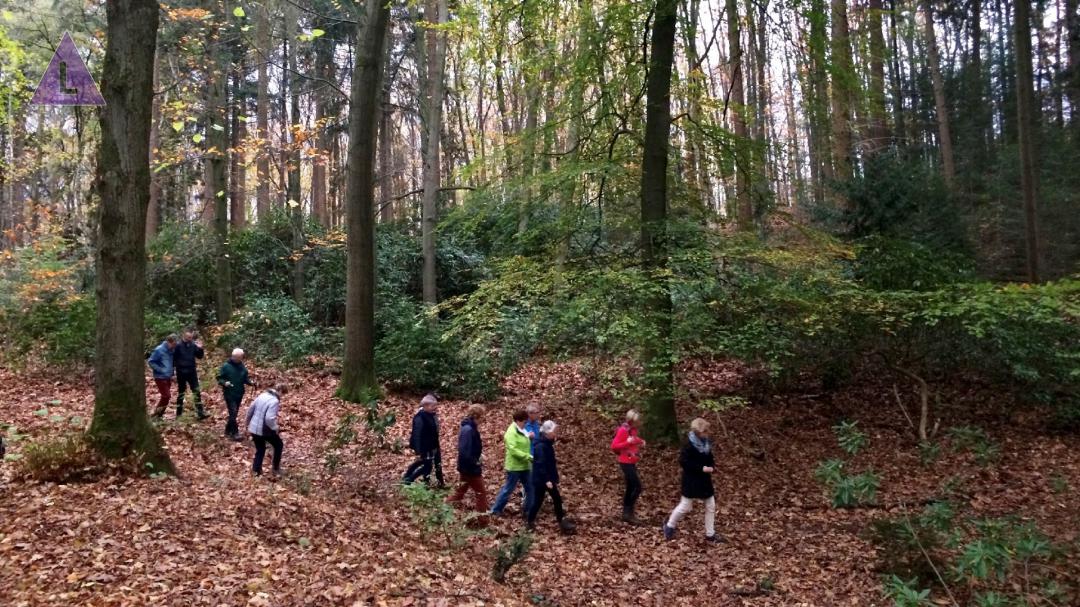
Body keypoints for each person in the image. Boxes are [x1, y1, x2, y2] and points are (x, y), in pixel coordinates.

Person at [662, 418, 724, 543]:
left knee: (710, 505)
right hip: (691, 479)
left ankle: (710, 534)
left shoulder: (707, 443)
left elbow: (710, 458)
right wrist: (701, 468)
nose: (707, 434)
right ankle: (669, 525)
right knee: (685, 506)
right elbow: (684, 462)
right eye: (705, 431)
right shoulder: (688, 445)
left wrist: (711, 466)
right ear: (698, 432)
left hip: (704, 480)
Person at [526, 420, 573, 534]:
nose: (556, 433)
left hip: (542, 478)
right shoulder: (541, 446)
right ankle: (561, 522)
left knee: (539, 501)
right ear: (547, 432)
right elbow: (540, 464)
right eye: (554, 431)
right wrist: (547, 480)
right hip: (543, 479)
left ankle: (530, 521)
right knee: (556, 499)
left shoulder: (546, 443)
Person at [447, 404, 488, 522]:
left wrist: (478, 455)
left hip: (466, 467)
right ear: (477, 416)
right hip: (470, 468)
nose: (483, 419)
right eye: (482, 416)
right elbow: (464, 451)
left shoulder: (470, 427)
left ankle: (443, 509)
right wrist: (476, 461)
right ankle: (482, 520)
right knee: (481, 494)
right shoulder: (468, 430)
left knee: (460, 492)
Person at [490, 409, 533, 517]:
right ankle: (496, 510)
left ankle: (528, 510)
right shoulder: (511, 432)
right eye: (524, 422)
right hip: (514, 466)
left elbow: (523, 443)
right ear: (518, 421)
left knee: (530, 487)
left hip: (524, 465)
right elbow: (513, 450)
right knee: (508, 489)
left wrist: (529, 438)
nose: (525, 424)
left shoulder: (521, 430)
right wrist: (528, 457)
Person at [611, 409, 646, 525]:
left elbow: (634, 439)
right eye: (637, 421)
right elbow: (614, 445)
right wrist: (627, 442)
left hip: (631, 461)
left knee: (631, 487)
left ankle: (627, 513)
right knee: (637, 487)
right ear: (632, 421)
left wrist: (640, 441)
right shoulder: (623, 430)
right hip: (625, 462)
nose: (639, 423)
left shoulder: (633, 430)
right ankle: (628, 511)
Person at [246, 383, 288, 478]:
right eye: (283, 394)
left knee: (260, 449)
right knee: (278, 445)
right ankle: (276, 469)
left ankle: (256, 471)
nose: (282, 396)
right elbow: (269, 419)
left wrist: (247, 423)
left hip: (253, 428)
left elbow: (250, 409)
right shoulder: (274, 401)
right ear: (280, 391)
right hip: (264, 430)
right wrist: (275, 428)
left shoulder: (262, 395)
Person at [402, 394, 443, 486]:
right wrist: (418, 450)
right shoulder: (420, 417)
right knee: (427, 466)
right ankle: (408, 480)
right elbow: (416, 434)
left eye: (435, 406)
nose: (435, 408)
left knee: (433, 463)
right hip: (425, 446)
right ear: (425, 406)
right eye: (432, 406)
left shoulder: (432, 415)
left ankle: (434, 483)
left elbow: (435, 429)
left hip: (433, 444)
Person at [218, 349, 255, 441]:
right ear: (233, 356)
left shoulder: (241, 366)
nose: (238, 359)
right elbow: (219, 378)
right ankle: (235, 433)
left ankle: (227, 430)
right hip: (229, 393)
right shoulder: (226, 366)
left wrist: (251, 383)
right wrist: (224, 383)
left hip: (239, 393)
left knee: (233, 413)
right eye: (236, 357)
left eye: (239, 357)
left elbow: (244, 378)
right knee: (233, 412)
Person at [173, 329, 208, 420]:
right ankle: (178, 414)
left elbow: (199, 356)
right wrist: (173, 371)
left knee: (196, 391)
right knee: (181, 392)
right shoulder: (178, 346)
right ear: (184, 336)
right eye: (188, 337)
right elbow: (174, 359)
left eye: (191, 337)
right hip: (181, 372)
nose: (190, 339)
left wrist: (200, 348)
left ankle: (200, 413)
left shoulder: (193, 345)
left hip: (192, 372)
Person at [148, 335, 178, 419]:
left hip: (168, 377)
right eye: (173, 344)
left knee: (166, 397)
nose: (174, 346)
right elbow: (151, 361)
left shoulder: (171, 350)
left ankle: (159, 415)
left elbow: (171, 363)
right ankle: (156, 415)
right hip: (160, 377)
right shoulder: (159, 350)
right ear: (169, 342)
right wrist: (160, 370)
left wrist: (172, 373)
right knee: (166, 396)